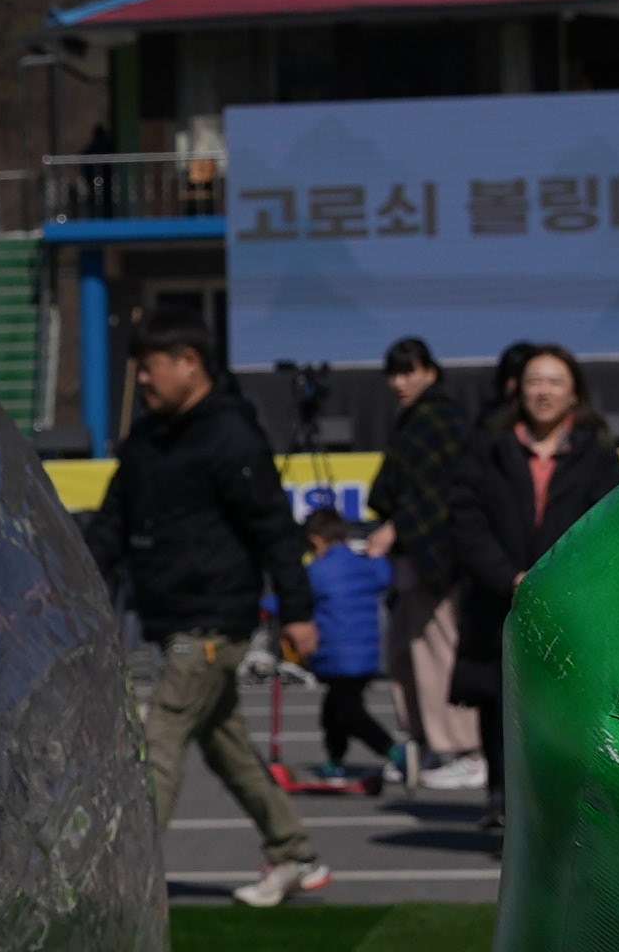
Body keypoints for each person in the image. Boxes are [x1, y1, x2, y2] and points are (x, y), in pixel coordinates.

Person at [93, 331, 319, 908]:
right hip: (169, 617)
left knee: (160, 733)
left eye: (150, 367)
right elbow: (111, 525)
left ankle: (123, 880)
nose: (142, 380)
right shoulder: (147, 438)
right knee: (226, 746)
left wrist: (297, 611)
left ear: (189, 364)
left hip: (216, 622)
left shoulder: (232, 436)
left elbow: (274, 529)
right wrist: (70, 589)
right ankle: (295, 853)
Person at [422, 339, 619, 812]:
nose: (543, 392)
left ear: (574, 392)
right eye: (534, 381)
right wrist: (508, 577)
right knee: (500, 707)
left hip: (569, 608)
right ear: (519, 390)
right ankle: (502, 804)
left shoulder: (596, 453)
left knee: (564, 709)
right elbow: (465, 517)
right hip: (499, 602)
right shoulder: (489, 446)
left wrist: (562, 579)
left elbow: (611, 522)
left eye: (555, 382)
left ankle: (560, 809)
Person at [360, 336, 474, 798]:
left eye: (408, 371)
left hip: (438, 555)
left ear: (430, 370)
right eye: (394, 373)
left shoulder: (440, 417)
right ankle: (424, 741)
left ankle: (464, 749)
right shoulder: (414, 418)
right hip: (413, 555)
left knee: (437, 652)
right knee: (405, 654)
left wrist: (397, 526)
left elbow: (435, 490)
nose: (399, 382)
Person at [296, 496, 401, 787]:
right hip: (366, 655)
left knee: (349, 713)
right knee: (333, 710)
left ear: (316, 541)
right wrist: (376, 554)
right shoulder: (363, 565)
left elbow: (293, 599)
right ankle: (335, 760)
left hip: (337, 655)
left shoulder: (317, 572)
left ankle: (395, 751)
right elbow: (384, 577)